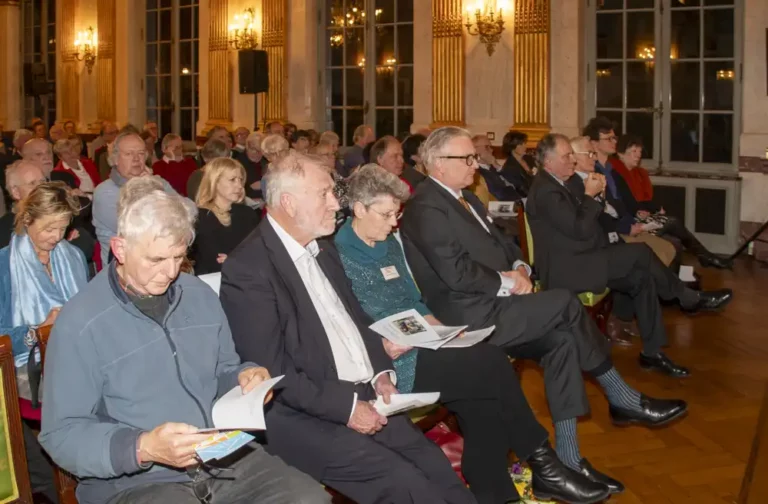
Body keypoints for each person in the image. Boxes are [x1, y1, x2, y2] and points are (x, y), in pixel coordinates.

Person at [400, 127, 687, 493]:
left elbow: (504, 241)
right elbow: (455, 272)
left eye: (475, 156)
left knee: (562, 341)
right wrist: (507, 280)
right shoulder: (425, 206)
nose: (476, 164)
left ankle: (568, 460)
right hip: (467, 317)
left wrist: (520, 266)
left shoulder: (466, 200)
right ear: (439, 164)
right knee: (565, 301)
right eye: (467, 158)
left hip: (498, 304)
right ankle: (622, 397)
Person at [38, 178, 329, 504]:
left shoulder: (197, 295)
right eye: (156, 260)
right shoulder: (81, 321)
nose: (170, 272)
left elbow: (223, 369)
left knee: (309, 498)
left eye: (178, 257)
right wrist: (142, 447)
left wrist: (244, 378)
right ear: (120, 248)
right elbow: (60, 434)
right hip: (135, 479)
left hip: (220, 453)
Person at [335, 165, 612, 504]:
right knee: (490, 361)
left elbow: (413, 301)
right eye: (387, 213)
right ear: (360, 209)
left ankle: (499, 493)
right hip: (390, 364)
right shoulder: (339, 253)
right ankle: (543, 463)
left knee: (483, 404)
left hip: (422, 343)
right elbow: (345, 323)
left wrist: (441, 328)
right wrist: (392, 344)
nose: (395, 222)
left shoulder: (389, 242)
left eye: (397, 213)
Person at [220, 152, 477, 504]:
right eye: (324, 193)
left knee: (436, 466)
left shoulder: (323, 250)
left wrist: (381, 373)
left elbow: (357, 319)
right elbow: (272, 374)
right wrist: (347, 409)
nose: (335, 202)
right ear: (289, 203)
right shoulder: (249, 268)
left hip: (363, 395)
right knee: (404, 484)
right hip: (303, 415)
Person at [526, 134, 734, 378]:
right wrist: (591, 196)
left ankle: (653, 353)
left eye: (573, 154)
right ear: (548, 161)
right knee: (640, 252)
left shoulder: (564, 182)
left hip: (585, 256)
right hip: (568, 270)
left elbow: (591, 223)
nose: (572, 160)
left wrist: (595, 197)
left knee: (641, 277)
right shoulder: (546, 191)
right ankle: (686, 297)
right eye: (567, 156)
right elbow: (580, 228)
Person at [0, 182, 87, 502]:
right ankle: (73, 480)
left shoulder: (73, 256)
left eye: (63, 228)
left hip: (75, 357)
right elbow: (1, 337)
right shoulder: (4, 265)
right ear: (27, 220)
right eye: (48, 227)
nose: (56, 237)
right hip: (28, 366)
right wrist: (38, 331)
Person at [608, 131, 732, 269]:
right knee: (673, 223)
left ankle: (682, 275)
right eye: (633, 151)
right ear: (620, 153)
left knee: (675, 241)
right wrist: (649, 209)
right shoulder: (616, 173)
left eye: (640, 151)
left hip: (640, 216)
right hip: (631, 222)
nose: (638, 155)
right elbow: (629, 204)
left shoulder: (639, 173)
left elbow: (645, 200)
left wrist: (653, 208)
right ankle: (704, 256)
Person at [570, 136, 676, 267]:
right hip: (610, 235)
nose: (595, 158)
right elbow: (596, 218)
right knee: (653, 254)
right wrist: (626, 227)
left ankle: (675, 283)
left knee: (669, 248)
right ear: (574, 157)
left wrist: (632, 222)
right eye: (590, 154)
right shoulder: (573, 184)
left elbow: (617, 204)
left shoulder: (597, 176)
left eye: (594, 154)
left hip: (623, 225)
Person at [93, 131, 175, 266]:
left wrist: (153, 185)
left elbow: (189, 211)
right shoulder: (104, 192)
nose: (136, 159)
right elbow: (141, 229)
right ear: (115, 159)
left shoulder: (157, 182)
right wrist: (147, 189)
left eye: (141, 153)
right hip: (122, 268)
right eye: (129, 154)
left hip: (162, 260)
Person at [191, 158, 260, 275]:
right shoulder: (201, 217)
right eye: (232, 180)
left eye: (241, 180)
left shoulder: (248, 213)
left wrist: (234, 260)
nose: (239, 186)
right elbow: (215, 261)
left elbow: (261, 253)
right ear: (215, 182)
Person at [473, 134, 523, 202]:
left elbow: (516, 183)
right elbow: (497, 193)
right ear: (475, 149)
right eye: (487, 147)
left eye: (491, 147)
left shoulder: (493, 166)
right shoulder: (475, 172)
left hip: (518, 199)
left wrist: (495, 164)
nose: (491, 150)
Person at [500, 130, 536, 196]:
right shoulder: (509, 168)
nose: (524, 146)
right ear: (512, 147)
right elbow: (521, 190)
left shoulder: (530, 159)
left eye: (524, 143)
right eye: (520, 144)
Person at [234, 132, 268, 199]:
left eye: (260, 150)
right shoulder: (237, 163)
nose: (257, 153)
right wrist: (250, 189)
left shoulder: (266, 161)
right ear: (247, 146)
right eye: (253, 149)